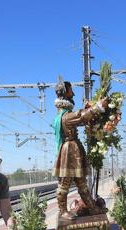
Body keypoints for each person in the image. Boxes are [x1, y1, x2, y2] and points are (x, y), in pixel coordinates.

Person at [53, 78, 109, 220]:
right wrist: (97, 107)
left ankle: (92, 208)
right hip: (68, 152)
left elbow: (82, 116)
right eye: (71, 90)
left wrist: (90, 110)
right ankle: (62, 211)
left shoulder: (65, 114)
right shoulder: (65, 116)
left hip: (74, 151)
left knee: (81, 183)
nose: (73, 94)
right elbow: (81, 117)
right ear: (65, 93)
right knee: (64, 183)